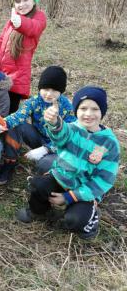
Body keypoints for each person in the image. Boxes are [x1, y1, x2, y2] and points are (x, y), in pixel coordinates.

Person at [16, 86, 120, 240]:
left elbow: (104, 179)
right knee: (38, 185)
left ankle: (90, 220)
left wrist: (70, 197)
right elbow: (59, 135)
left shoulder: (109, 143)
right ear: (76, 110)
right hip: (62, 177)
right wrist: (54, 121)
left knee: (75, 221)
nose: (88, 114)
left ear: (102, 112)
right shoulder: (72, 129)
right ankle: (38, 211)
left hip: (84, 190)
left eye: (95, 109)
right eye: (83, 108)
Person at [0, 66, 76, 185]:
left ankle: (49, 176)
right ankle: (10, 161)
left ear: (61, 91)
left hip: (59, 146)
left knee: (44, 164)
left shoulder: (66, 106)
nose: (48, 94)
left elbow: (70, 136)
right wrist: (4, 122)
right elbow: (19, 116)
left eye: (54, 90)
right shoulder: (34, 101)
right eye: (45, 89)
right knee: (16, 125)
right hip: (39, 137)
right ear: (40, 87)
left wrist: (46, 149)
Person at [0, 0, 47, 113]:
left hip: (17, 78)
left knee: (9, 113)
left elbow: (33, 28)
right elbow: (1, 42)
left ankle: (9, 134)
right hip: (2, 74)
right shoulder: (12, 19)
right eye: (17, 1)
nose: (21, 4)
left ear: (34, 1)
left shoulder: (39, 17)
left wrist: (20, 22)